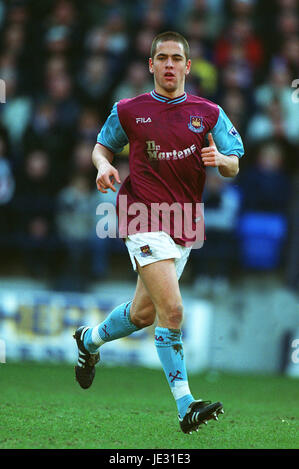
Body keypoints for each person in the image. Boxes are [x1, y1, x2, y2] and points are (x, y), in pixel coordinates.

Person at [73, 31, 244, 434]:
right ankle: (186, 405)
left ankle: (89, 341)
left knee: (143, 313)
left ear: (188, 66)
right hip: (140, 216)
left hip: (184, 224)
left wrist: (220, 158)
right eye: (162, 58)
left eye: (176, 58)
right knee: (174, 311)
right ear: (151, 65)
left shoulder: (210, 112)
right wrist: (102, 166)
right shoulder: (129, 109)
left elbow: (235, 163)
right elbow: (101, 146)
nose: (169, 65)